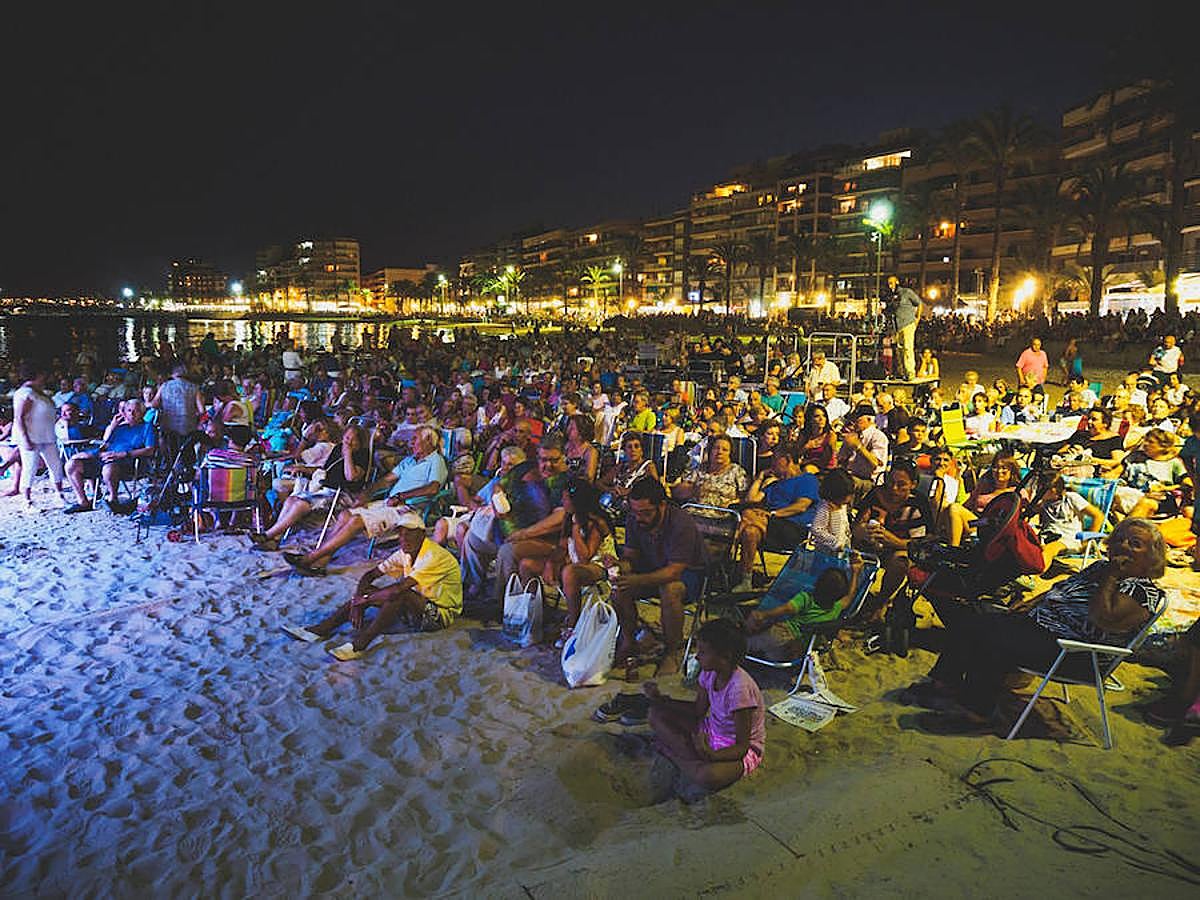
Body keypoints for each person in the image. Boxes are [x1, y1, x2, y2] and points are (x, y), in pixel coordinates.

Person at [905, 519, 1165, 734]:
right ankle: (945, 684)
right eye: (1120, 539)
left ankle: (977, 714)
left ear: (1152, 557)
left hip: (1076, 653)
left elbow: (1103, 617)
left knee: (993, 639)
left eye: (1136, 544)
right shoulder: (1099, 567)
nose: (1123, 546)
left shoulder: (1144, 592)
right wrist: (1033, 602)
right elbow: (1061, 589)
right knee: (972, 621)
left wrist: (1112, 576)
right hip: (1043, 628)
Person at [283, 512, 462, 660]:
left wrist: (363, 601)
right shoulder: (406, 552)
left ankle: (360, 644)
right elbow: (370, 575)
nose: (404, 538)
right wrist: (359, 599)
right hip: (416, 605)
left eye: (410, 533)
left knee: (399, 593)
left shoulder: (432, 555)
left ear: (422, 535)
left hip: (439, 615)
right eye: (401, 533)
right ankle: (320, 629)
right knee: (381, 592)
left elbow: (400, 589)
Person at [284, 426, 447, 575]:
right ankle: (320, 563)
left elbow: (433, 488)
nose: (411, 443)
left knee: (356, 521)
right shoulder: (410, 460)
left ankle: (310, 558)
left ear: (428, 442)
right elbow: (387, 480)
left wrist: (401, 496)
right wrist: (366, 494)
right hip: (390, 503)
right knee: (345, 515)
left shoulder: (436, 461)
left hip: (408, 509)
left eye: (415, 439)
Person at [642, 619, 765, 791]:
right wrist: (661, 699)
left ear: (725, 656)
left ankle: (675, 755)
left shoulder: (740, 690)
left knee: (707, 776)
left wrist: (713, 755)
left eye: (703, 652)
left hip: (738, 750)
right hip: (712, 730)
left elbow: (742, 747)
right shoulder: (710, 673)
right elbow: (698, 710)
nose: (697, 657)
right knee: (656, 714)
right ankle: (695, 758)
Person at [613, 476, 708, 677]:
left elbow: (674, 571)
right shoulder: (634, 518)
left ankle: (673, 651)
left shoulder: (681, 523)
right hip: (653, 566)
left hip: (690, 574)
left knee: (670, 589)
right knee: (619, 586)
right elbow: (631, 557)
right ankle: (629, 641)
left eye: (646, 513)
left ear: (662, 505)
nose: (640, 518)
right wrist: (619, 566)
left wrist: (636, 579)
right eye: (636, 512)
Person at [250, 424, 369, 551]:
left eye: (352, 439)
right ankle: (275, 539)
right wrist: (302, 468)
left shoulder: (362, 455)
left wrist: (348, 455)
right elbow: (324, 470)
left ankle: (267, 535)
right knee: (291, 499)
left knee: (301, 504)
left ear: (360, 442)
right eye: (346, 437)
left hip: (342, 495)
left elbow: (351, 477)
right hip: (324, 489)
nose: (348, 442)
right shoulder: (338, 448)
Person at [743, 555, 865, 661]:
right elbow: (850, 596)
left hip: (782, 637)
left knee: (743, 643)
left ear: (818, 584)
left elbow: (787, 609)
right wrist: (855, 572)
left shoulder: (806, 599)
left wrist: (764, 615)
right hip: (796, 652)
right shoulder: (837, 607)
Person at [540, 478, 617, 646]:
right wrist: (550, 564)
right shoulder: (570, 517)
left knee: (569, 572)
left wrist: (575, 529)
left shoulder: (595, 522)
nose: (563, 502)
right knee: (527, 565)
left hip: (601, 567)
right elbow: (561, 548)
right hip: (577, 565)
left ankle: (573, 623)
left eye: (566, 498)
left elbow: (585, 557)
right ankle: (537, 616)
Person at [734, 446, 820, 591]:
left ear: (788, 460)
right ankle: (746, 581)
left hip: (794, 529)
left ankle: (726, 557)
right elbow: (752, 499)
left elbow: (801, 506)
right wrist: (760, 477)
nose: (772, 463)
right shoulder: (773, 485)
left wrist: (773, 514)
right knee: (750, 531)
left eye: (775, 459)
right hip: (769, 527)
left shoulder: (807, 479)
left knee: (747, 514)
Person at [853, 461, 930, 611]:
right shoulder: (876, 495)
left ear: (913, 485)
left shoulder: (918, 503)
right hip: (870, 545)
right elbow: (856, 525)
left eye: (901, 485)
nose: (894, 489)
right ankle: (853, 598)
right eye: (891, 482)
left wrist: (894, 541)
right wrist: (861, 530)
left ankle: (879, 603)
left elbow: (924, 542)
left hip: (899, 549)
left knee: (900, 561)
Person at [63, 399, 157, 513]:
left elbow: (150, 450)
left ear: (142, 413)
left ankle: (113, 501)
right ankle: (83, 502)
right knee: (71, 465)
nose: (132, 414)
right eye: (129, 410)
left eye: (136, 411)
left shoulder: (147, 427)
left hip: (128, 462)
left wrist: (123, 454)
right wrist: (93, 454)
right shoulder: (119, 427)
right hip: (106, 458)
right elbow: (105, 444)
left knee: (108, 468)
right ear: (125, 412)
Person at [11, 364, 66, 506]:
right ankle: (27, 501)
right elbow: (19, 418)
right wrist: (25, 439)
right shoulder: (25, 393)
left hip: (47, 435)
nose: (46, 378)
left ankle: (59, 495)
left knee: (56, 466)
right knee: (30, 468)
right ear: (37, 375)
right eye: (43, 375)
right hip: (31, 437)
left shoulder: (40, 392)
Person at [1031, 475, 1103, 570]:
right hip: (1047, 536)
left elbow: (1098, 516)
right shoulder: (1043, 503)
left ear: (1053, 490)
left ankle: (1035, 574)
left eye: (1040, 489)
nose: (1037, 492)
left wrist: (1086, 540)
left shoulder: (1071, 498)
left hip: (1069, 538)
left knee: (1051, 548)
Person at [836, 406, 889, 498]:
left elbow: (875, 463)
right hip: (851, 475)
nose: (854, 423)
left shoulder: (878, 436)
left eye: (858, 419)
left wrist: (858, 446)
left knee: (843, 484)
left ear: (869, 420)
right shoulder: (854, 435)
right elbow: (840, 460)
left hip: (870, 481)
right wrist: (846, 448)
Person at [883, 275, 921, 380]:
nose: (890, 285)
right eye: (889, 283)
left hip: (908, 323)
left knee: (908, 347)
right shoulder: (891, 297)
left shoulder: (907, 292)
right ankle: (903, 372)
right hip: (898, 326)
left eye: (892, 282)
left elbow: (919, 303)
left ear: (897, 282)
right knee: (900, 349)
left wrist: (917, 318)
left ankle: (910, 371)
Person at [799, 404, 836, 472]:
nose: (821, 419)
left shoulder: (830, 435)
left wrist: (805, 462)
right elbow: (796, 453)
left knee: (808, 470)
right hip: (809, 465)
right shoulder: (805, 435)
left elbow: (826, 459)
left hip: (826, 468)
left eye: (824, 416)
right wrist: (806, 447)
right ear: (810, 419)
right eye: (817, 416)